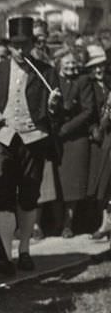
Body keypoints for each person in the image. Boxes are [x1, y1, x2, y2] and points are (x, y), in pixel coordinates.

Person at [0, 16, 61, 273]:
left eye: (25, 44)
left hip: (33, 138)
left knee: (29, 195)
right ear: (9, 45)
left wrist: (53, 107)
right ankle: (6, 255)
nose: (20, 50)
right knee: (3, 192)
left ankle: (25, 250)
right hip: (2, 137)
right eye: (15, 45)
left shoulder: (46, 71)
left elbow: (56, 112)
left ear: (33, 43)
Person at [52, 48, 94, 238]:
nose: (71, 66)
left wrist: (66, 129)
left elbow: (88, 110)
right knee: (56, 182)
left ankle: (68, 224)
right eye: (67, 62)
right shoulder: (53, 80)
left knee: (73, 184)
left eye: (74, 63)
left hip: (76, 137)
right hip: (55, 138)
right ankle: (56, 222)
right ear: (59, 63)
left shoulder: (83, 81)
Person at [87, 46, 111, 238]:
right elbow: (87, 112)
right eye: (94, 67)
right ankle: (104, 222)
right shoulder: (89, 86)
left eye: (101, 66)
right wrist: (95, 128)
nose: (98, 70)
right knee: (102, 182)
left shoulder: (108, 84)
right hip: (100, 140)